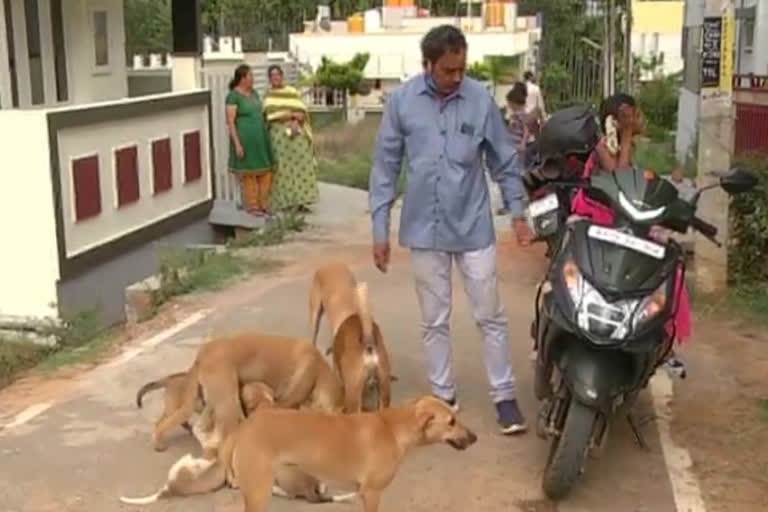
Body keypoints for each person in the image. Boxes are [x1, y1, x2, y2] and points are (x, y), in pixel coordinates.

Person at [369, 24, 533, 435]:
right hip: (424, 229)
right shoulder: (402, 102)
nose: (456, 77)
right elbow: (385, 167)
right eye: (448, 70)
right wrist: (379, 227)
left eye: (461, 69)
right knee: (434, 319)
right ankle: (443, 395)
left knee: (490, 314)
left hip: (473, 225)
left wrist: (518, 211)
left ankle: (505, 397)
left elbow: (504, 161)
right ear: (428, 65)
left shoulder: (480, 100)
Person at [570, 93, 691, 377]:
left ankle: (661, 345)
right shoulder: (604, 146)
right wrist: (624, 138)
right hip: (602, 219)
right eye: (632, 115)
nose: (638, 119)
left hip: (625, 218)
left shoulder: (633, 146)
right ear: (618, 119)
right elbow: (621, 178)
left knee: (667, 266)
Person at [263, 64, 320, 213]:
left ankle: (301, 201)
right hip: (278, 135)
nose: (275, 77)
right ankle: (286, 202)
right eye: (272, 75)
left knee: (302, 162)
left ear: (282, 76)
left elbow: (302, 111)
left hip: (295, 131)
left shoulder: (292, 92)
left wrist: (296, 120)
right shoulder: (268, 96)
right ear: (269, 79)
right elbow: (269, 116)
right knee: (282, 168)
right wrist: (289, 115)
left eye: (277, 74)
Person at [226, 64, 275, 216]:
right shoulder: (233, 96)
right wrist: (237, 144)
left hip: (260, 139)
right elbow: (230, 122)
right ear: (242, 79)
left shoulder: (254, 93)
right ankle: (253, 206)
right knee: (249, 174)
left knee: (266, 172)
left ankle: (264, 204)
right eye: (250, 76)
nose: (253, 79)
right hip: (244, 140)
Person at [496, 82, 530, 215]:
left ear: (514, 103)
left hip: (517, 149)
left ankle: (514, 202)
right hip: (511, 148)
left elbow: (527, 131)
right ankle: (517, 201)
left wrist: (523, 144)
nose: (508, 105)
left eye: (509, 102)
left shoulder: (521, 115)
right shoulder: (514, 115)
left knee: (513, 175)